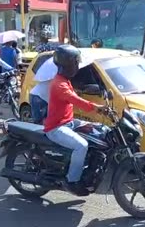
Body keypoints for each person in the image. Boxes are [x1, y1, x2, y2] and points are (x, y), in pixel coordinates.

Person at [44, 44, 105, 196]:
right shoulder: (59, 84)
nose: (77, 67)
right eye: (75, 63)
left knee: (99, 130)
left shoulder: (65, 80)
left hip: (69, 122)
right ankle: (72, 181)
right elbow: (75, 100)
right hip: (56, 128)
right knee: (81, 146)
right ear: (67, 64)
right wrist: (96, 107)